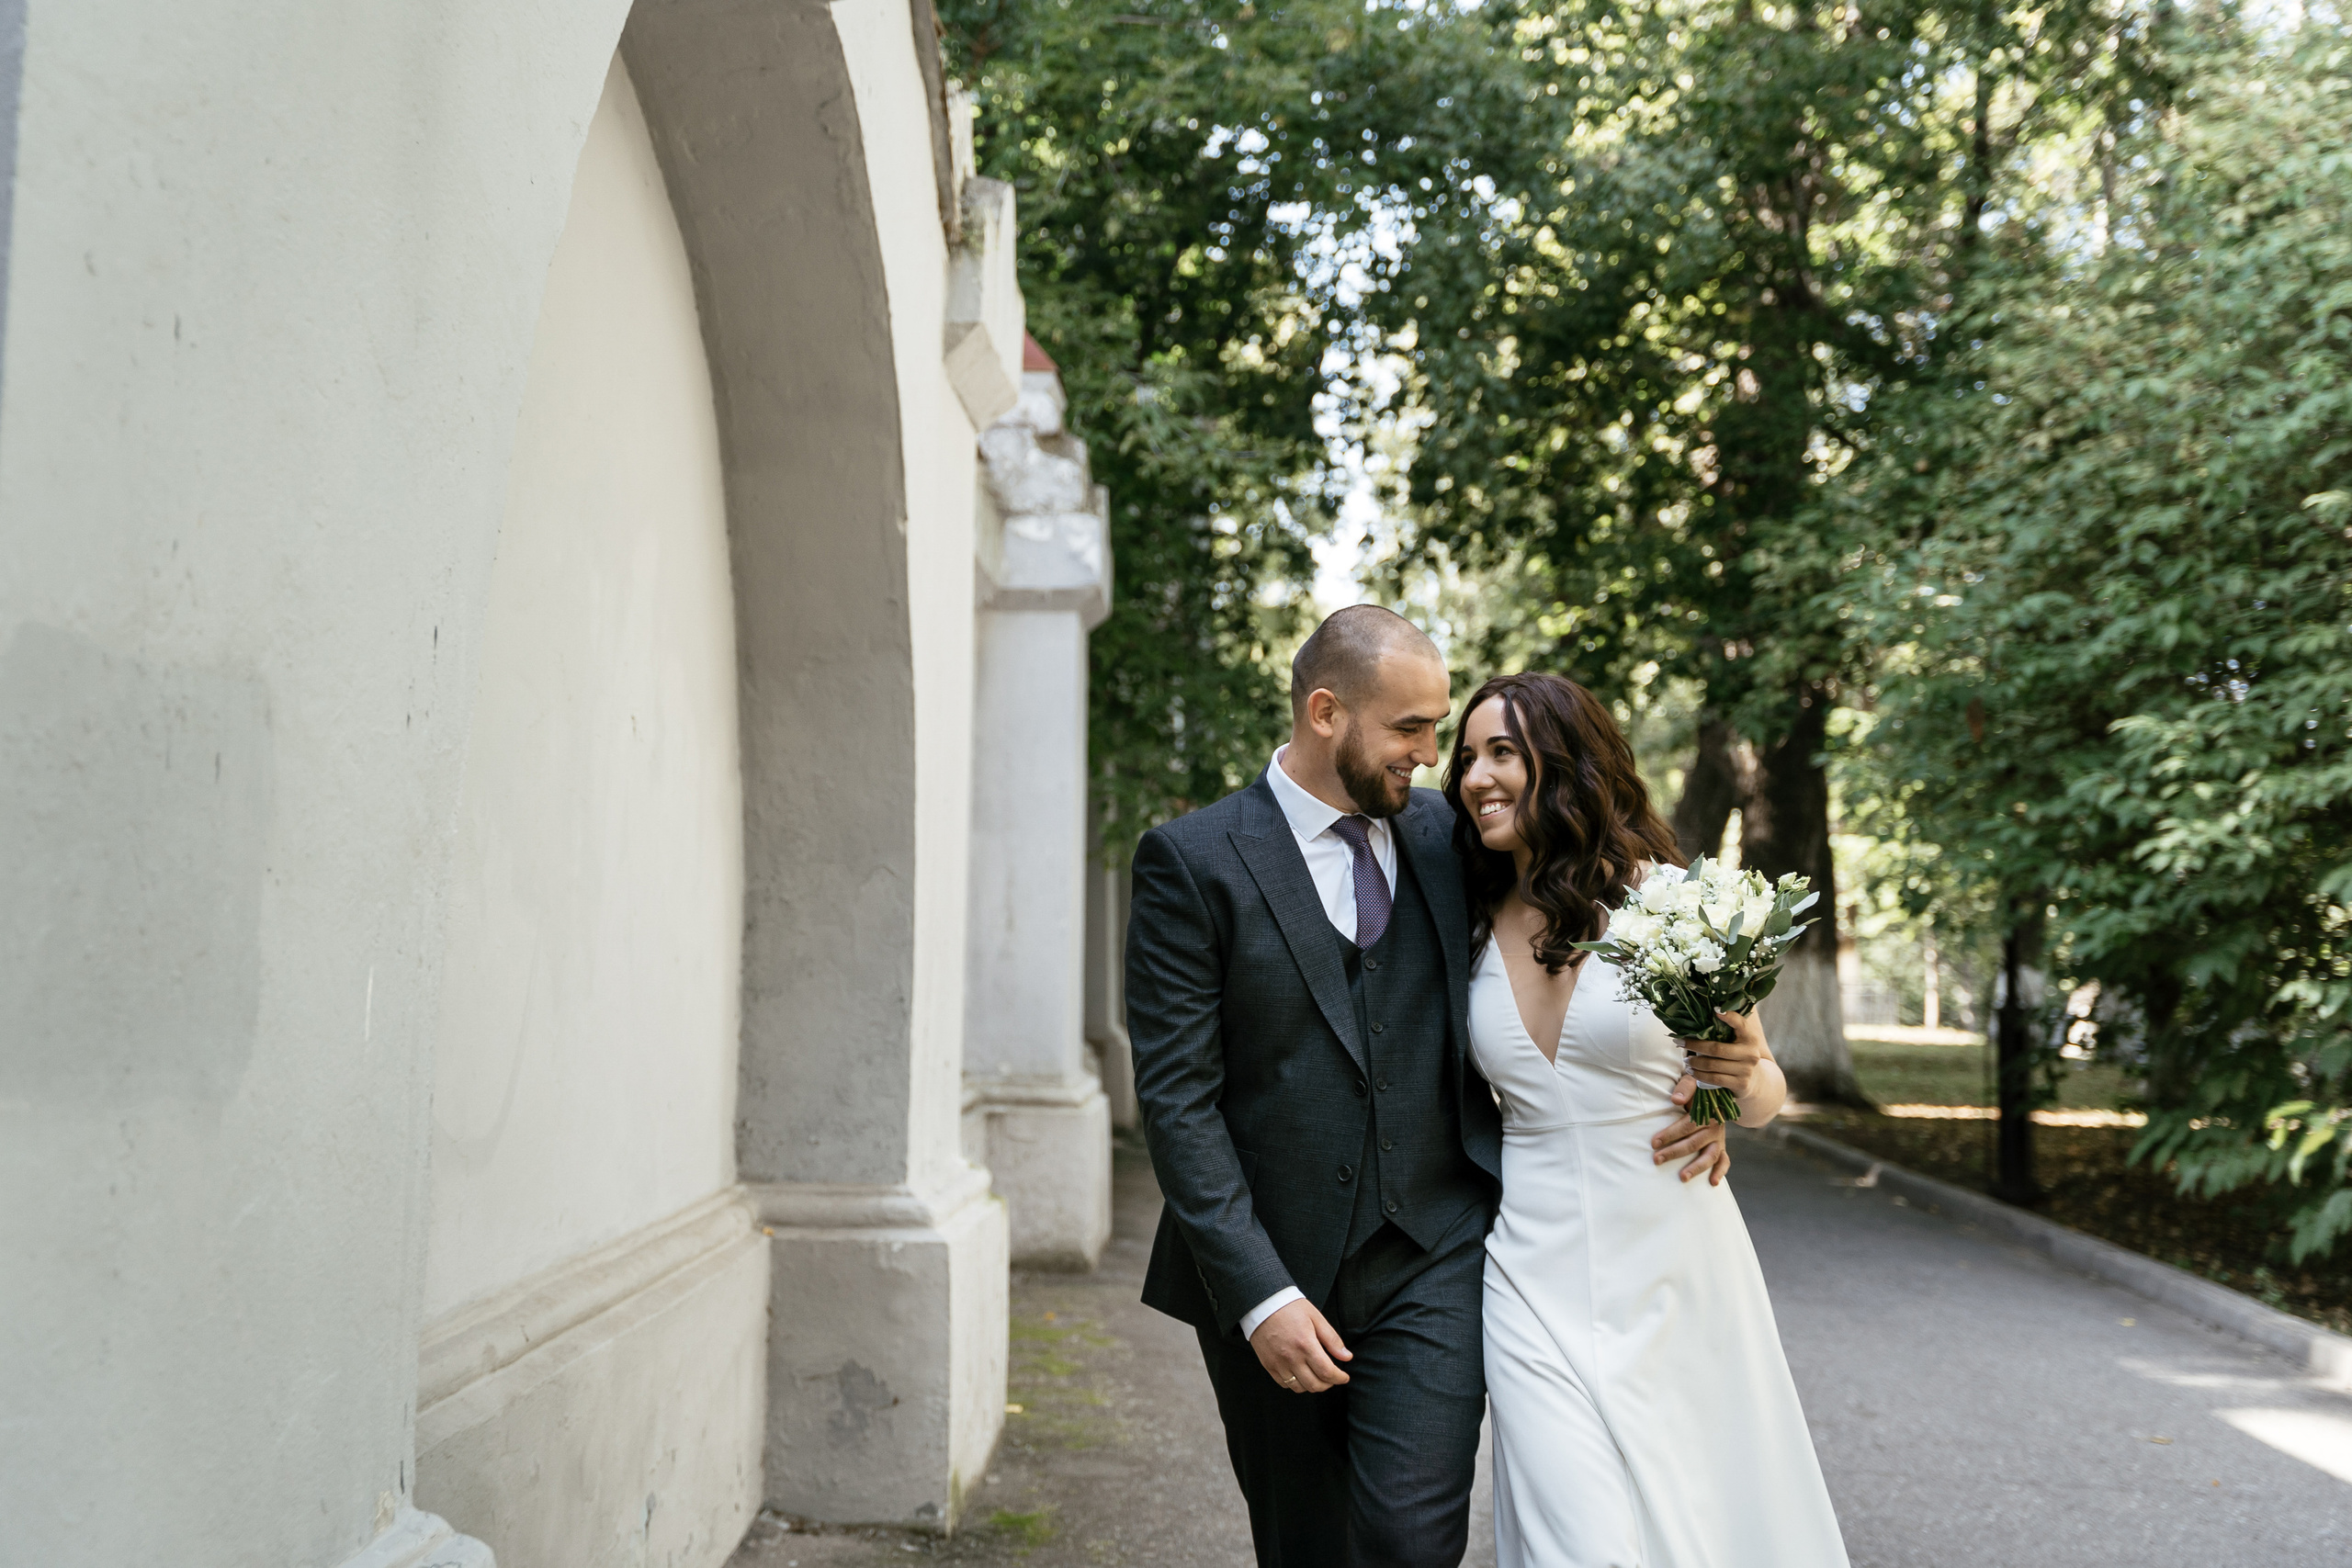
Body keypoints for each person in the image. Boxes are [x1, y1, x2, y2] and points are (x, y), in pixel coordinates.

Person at [1125, 608, 1733, 1568]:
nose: (1431, 755)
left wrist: (1704, 1087)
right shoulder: (1193, 862)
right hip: (1272, 1269)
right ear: (1326, 712)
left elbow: (1596, 886)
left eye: (1438, 729)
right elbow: (1177, 1102)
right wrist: (1258, 1298)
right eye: (1409, 729)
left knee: (1412, 1544)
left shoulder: (1454, 835)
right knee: (1305, 1546)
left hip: (1436, 1252)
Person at [1447, 671, 1849, 1567]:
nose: (1475, 776)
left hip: (1675, 1255)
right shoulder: (1464, 919)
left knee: (1700, 1520)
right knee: (1574, 1541)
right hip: (1526, 1267)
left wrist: (1730, 1090)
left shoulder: (1671, 904)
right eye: (1466, 757)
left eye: (1501, 752)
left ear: (1566, 761)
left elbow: (1764, 1086)